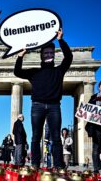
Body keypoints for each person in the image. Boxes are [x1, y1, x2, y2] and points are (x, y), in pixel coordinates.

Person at [14, 28, 73, 169]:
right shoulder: (34, 72)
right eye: (46, 53)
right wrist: (20, 56)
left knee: (56, 137)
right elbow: (17, 72)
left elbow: (69, 57)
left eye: (51, 53)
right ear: (42, 55)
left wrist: (60, 40)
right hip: (37, 106)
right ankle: (35, 164)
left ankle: (58, 165)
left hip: (54, 107)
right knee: (36, 136)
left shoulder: (59, 70)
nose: (48, 55)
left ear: (54, 54)